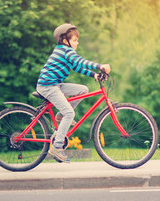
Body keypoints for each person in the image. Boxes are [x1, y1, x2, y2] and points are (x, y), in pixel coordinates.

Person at [36, 23, 111, 162]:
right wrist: (100, 66)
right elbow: (81, 61)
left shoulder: (64, 51)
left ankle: (60, 115)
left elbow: (77, 66)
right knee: (70, 113)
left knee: (83, 90)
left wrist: (94, 75)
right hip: (48, 86)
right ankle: (57, 147)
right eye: (75, 40)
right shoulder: (66, 50)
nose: (77, 42)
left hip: (55, 84)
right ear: (65, 40)